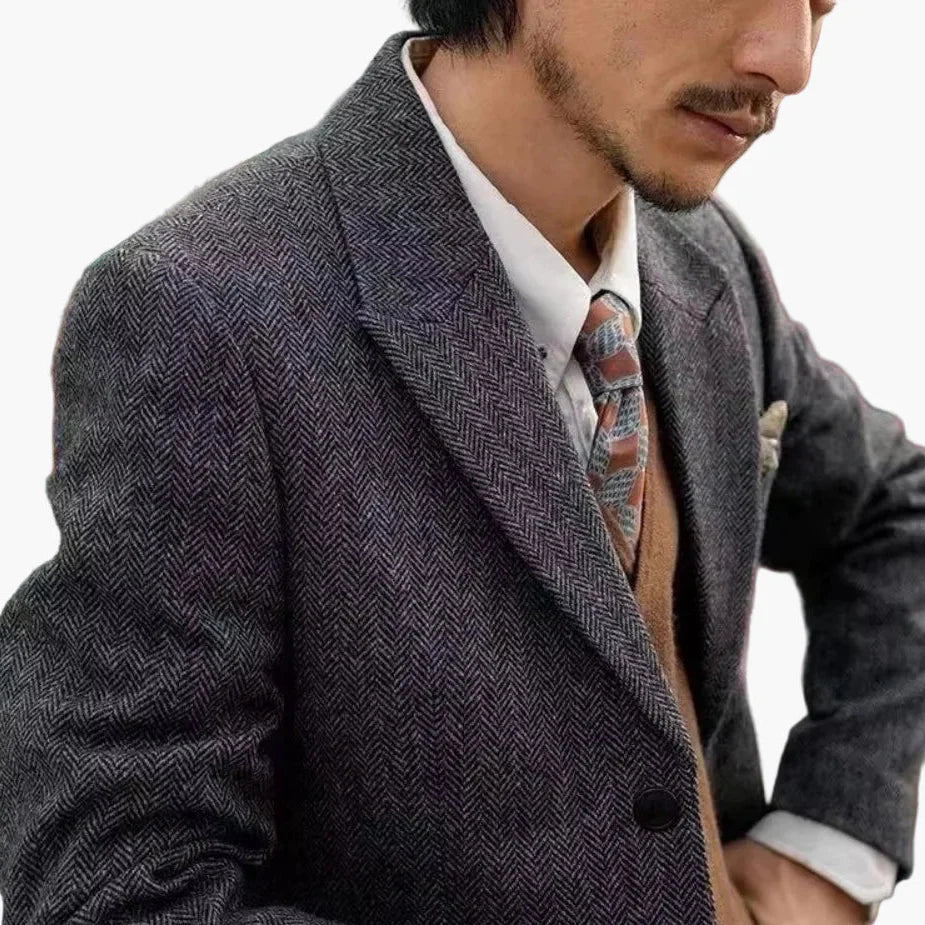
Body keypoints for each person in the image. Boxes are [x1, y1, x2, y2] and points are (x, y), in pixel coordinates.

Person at [0, 1, 922, 923]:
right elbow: (120, 889)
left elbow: (897, 509)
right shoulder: (202, 315)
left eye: (821, 4)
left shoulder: (698, 254)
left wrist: (824, 851)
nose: (790, 63)